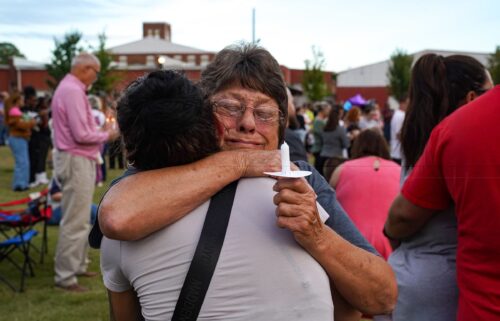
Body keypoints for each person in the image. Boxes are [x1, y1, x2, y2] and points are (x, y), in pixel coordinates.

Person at [98, 43, 397, 316]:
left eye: (265, 113)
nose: (248, 124)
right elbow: (117, 216)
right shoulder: (168, 171)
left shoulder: (299, 177)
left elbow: (382, 296)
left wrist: (317, 235)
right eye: (230, 107)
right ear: (204, 114)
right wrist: (240, 163)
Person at [384, 54, 494, 321]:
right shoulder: (454, 139)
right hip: (442, 290)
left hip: (409, 279)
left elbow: (397, 224)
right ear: (471, 98)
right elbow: (401, 218)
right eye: (489, 93)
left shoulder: (420, 135)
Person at [51, 52, 119, 292]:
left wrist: (99, 130)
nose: (96, 76)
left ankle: (77, 265)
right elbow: (81, 135)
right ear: (86, 68)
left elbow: (81, 130)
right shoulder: (72, 90)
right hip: (76, 158)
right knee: (76, 219)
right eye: (96, 71)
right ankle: (66, 276)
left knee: (79, 217)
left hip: (78, 158)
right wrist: (108, 135)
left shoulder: (70, 89)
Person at [330, 128, 400, 260]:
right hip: (389, 244)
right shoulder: (398, 170)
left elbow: (328, 205)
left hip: (349, 244)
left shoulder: (342, 169)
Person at [4, 91, 36, 191]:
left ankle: (23, 183)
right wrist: (32, 123)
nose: (23, 101)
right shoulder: (14, 111)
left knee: (24, 161)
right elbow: (21, 124)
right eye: (21, 99)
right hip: (17, 138)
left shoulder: (16, 111)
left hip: (19, 138)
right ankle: (19, 185)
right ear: (17, 101)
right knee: (22, 162)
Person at [320, 104, 350, 176]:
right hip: (335, 159)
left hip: (323, 156)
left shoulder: (324, 128)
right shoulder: (340, 129)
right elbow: (346, 144)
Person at [284, 88, 308, 162]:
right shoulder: (289, 138)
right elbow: (301, 171)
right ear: (286, 105)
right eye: (292, 102)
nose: (294, 107)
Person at [389, 94, 408, 165]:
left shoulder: (398, 114)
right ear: (402, 103)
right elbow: (398, 134)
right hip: (398, 153)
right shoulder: (400, 115)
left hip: (397, 153)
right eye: (407, 103)